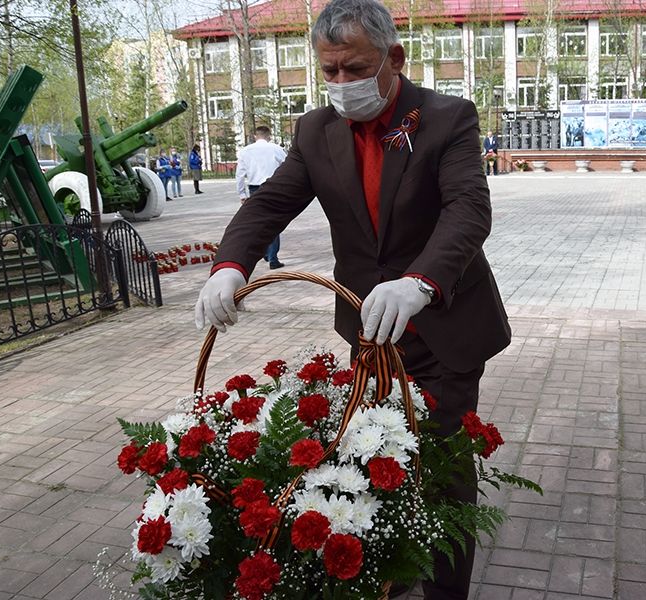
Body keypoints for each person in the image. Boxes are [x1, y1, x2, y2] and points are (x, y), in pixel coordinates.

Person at [194, 1, 510, 598]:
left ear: (393, 58)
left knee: (442, 465)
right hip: (368, 331)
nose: (341, 84)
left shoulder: (446, 118)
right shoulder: (316, 131)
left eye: (356, 69)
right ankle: (392, 568)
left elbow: (468, 211)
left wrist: (419, 282)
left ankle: (446, 589)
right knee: (381, 452)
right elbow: (269, 204)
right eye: (330, 72)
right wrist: (230, 265)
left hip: (441, 322)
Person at [235, 125, 288, 269]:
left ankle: (264, 252)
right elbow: (288, 167)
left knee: (258, 221)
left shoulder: (245, 151)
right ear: (269, 135)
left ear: (255, 136)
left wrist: (242, 194)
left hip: (254, 187)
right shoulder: (277, 149)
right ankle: (273, 258)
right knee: (274, 221)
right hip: (274, 186)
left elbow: (240, 174)